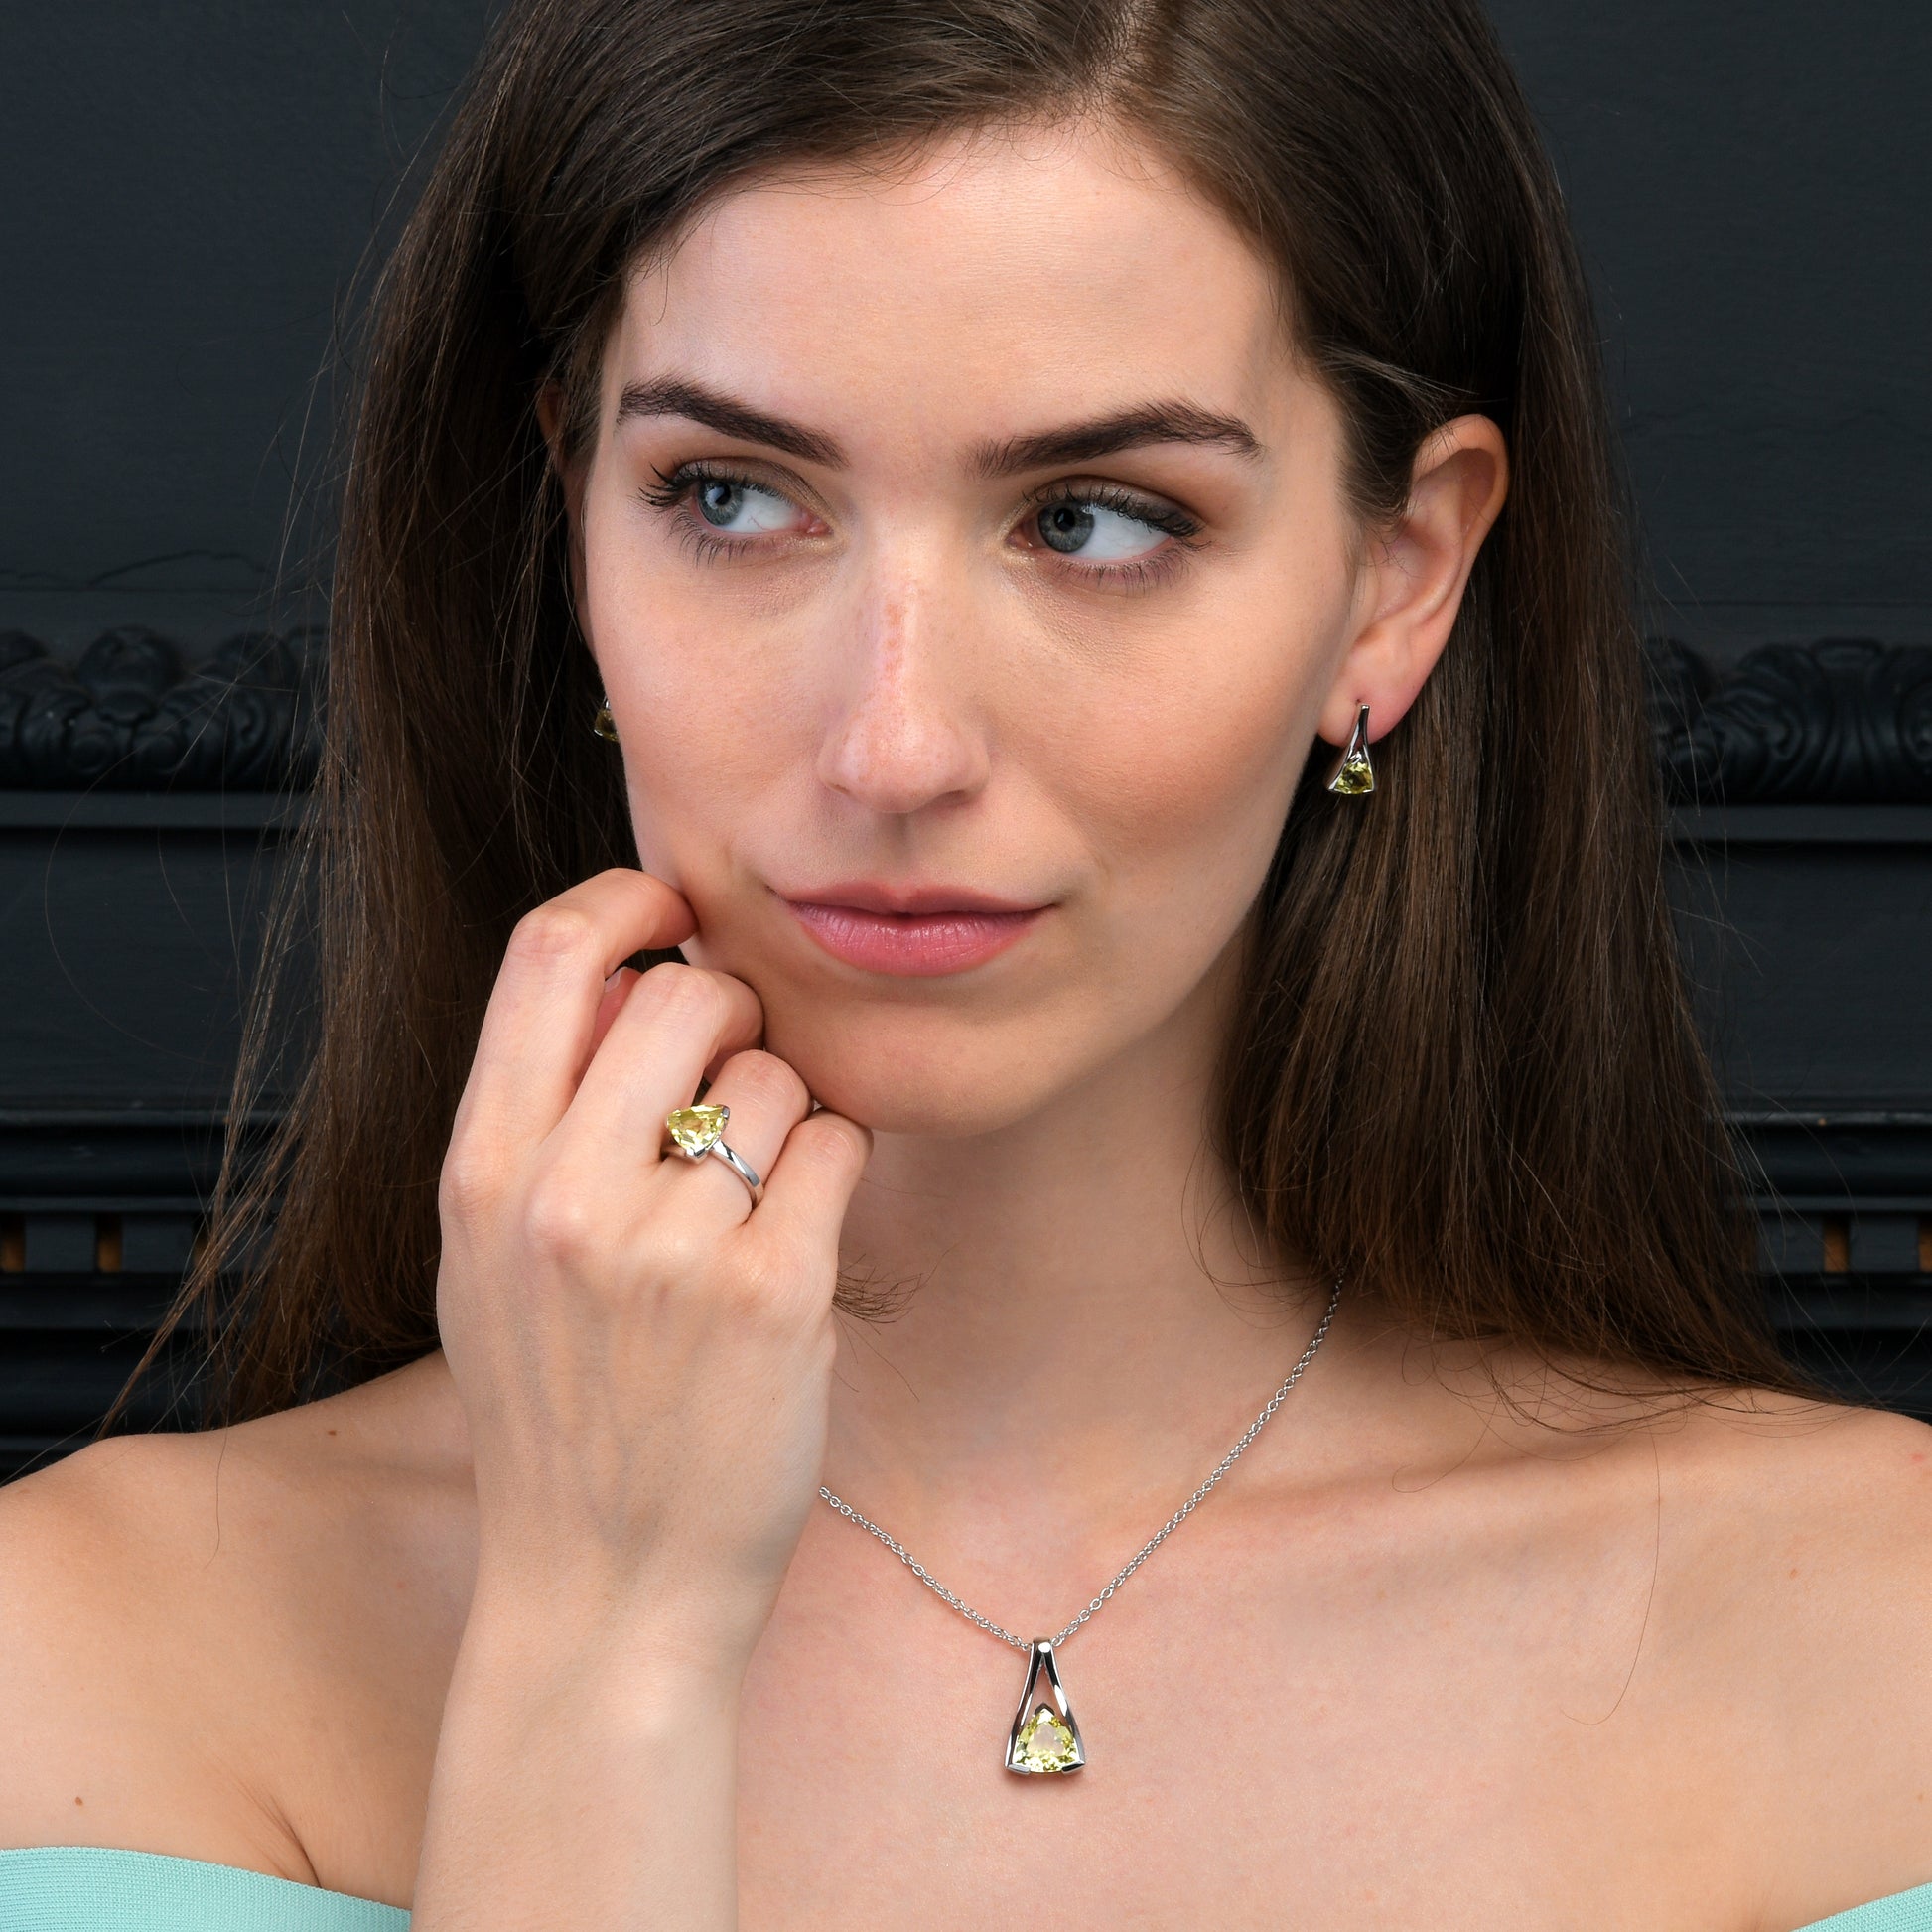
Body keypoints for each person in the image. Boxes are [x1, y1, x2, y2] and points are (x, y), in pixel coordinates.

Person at [3, 1, 1931, 1926]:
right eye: (730, 496)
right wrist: (600, 1649)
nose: (896, 745)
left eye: (1093, 521)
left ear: (1395, 578)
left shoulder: (1875, 1631)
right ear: (570, 523)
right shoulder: (83, 1647)